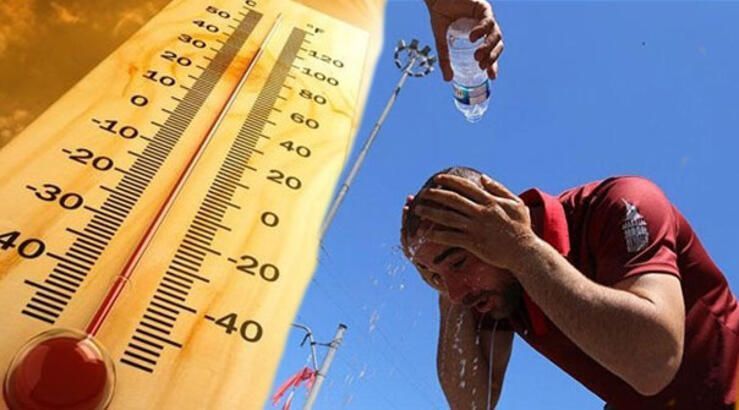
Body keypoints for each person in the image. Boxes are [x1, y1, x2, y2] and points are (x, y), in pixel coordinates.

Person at [400, 167, 738, 409]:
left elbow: (655, 364)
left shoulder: (618, 205)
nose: (459, 292)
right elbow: (470, 403)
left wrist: (522, 250)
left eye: (458, 262)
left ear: (497, 222)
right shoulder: (493, 288)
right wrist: (444, 286)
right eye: (434, 276)